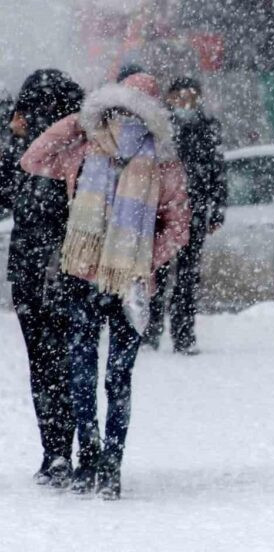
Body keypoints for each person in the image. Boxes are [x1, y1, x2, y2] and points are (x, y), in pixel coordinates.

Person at [21, 73, 190, 500]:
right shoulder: (91, 147)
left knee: (100, 375)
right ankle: (101, 460)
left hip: (117, 284)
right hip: (96, 281)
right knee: (105, 376)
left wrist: (139, 260)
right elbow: (34, 157)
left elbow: (179, 226)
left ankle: (100, 461)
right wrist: (81, 121)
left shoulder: (157, 161)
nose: (121, 116)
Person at [0, 69, 83, 487]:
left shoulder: (27, 155)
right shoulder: (82, 150)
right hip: (69, 272)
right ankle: (72, 448)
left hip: (39, 273)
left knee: (47, 366)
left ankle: (55, 452)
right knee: (71, 363)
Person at [142, 77, 226, 355]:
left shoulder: (207, 127)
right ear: (170, 98)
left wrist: (217, 210)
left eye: (192, 97)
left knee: (188, 277)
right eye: (181, 97)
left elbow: (218, 170)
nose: (186, 103)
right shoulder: (159, 127)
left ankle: (184, 334)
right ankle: (151, 330)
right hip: (163, 212)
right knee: (158, 273)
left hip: (195, 210)